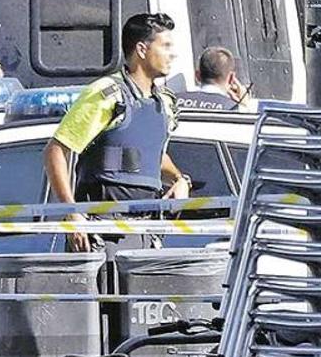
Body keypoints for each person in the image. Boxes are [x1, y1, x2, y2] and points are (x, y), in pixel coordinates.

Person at [44, 13, 190, 254]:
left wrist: (179, 179)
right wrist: (72, 213)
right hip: (104, 232)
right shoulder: (107, 95)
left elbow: (150, 155)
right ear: (142, 49)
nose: (172, 54)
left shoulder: (163, 102)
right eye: (165, 46)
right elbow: (56, 150)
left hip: (147, 232)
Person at [176, 46, 255, 112]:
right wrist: (245, 106)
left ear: (197, 76)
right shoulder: (234, 109)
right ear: (231, 78)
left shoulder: (173, 101)